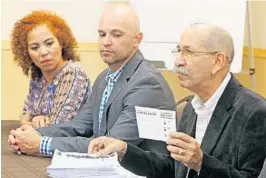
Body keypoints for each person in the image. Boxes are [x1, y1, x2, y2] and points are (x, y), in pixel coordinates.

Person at [88, 23, 266, 178]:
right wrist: (124, 149)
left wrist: (200, 163)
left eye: (188, 52)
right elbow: (172, 169)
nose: (178, 61)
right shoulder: (190, 108)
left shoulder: (254, 112)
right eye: (178, 51)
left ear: (218, 61)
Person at [8, 4, 175, 157]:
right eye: (102, 34)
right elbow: (79, 126)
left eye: (116, 35)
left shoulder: (148, 84)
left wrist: (41, 144)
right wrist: (33, 134)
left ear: (137, 40)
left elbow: (108, 147)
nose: (106, 42)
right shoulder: (104, 78)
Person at [10, 10, 91, 129]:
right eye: (34, 47)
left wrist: (28, 123)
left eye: (49, 43)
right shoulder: (37, 76)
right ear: (27, 53)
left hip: (71, 145)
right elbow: (25, 113)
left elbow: (60, 126)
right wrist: (36, 119)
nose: (43, 52)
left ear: (61, 43)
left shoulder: (73, 72)